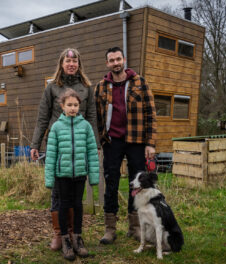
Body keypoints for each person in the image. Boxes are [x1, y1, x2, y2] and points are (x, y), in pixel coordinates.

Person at [30, 48, 98, 251]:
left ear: (79, 64)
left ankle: (73, 233)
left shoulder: (86, 87)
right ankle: (59, 234)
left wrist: (94, 144)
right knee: (58, 195)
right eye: (67, 61)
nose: (71, 64)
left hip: (79, 145)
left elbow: (92, 116)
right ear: (61, 64)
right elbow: (43, 117)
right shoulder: (52, 88)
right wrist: (35, 144)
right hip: (58, 145)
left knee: (76, 196)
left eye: (74, 60)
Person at [95, 46, 157, 244]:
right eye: (111, 60)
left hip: (136, 141)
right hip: (112, 142)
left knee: (137, 185)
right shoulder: (101, 87)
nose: (115, 63)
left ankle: (135, 227)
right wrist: (101, 138)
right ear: (107, 64)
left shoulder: (140, 82)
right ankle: (110, 229)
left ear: (124, 60)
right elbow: (96, 115)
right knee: (111, 184)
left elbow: (151, 114)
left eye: (118, 59)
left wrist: (150, 143)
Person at [44, 88, 99, 261]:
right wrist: (49, 178)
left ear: (79, 106)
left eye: (76, 105)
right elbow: (51, 154)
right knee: (63, 205)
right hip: (62, 175)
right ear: (62, 106)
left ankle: (77, 238)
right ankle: (66, 241)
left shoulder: (86, 126)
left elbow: (92, 151)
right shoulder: (57, 127)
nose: (73, 108)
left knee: (78, 205)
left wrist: (94, 175)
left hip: (80, 174)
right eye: (69, 105)